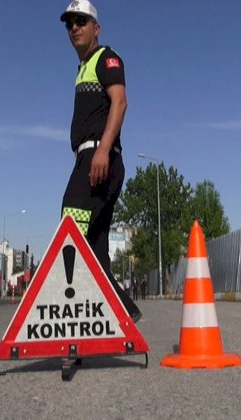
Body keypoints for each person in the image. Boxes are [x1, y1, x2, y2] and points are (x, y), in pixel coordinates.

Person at [59, 0, 141, 322]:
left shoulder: (106, 58)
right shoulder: (82, 68)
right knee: (94, 247)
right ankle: (124, 314)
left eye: (81, 21)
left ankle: (67, 312)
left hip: (99, 158)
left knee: (70, 229)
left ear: (96, 28)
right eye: (70, 23)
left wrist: (103, 150)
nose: (75, 27)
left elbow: (120, 103)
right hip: (88, 158)